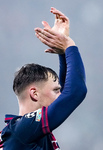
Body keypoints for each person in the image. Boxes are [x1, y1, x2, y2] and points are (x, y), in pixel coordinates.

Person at [0, 7, 87, 150]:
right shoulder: (22, 131)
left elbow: (69, 91)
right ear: (34, 94)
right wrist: (69, 45)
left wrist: (63, 52)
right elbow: (75, 92)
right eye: (56, 90)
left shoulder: (26, 132)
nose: (61, 95)